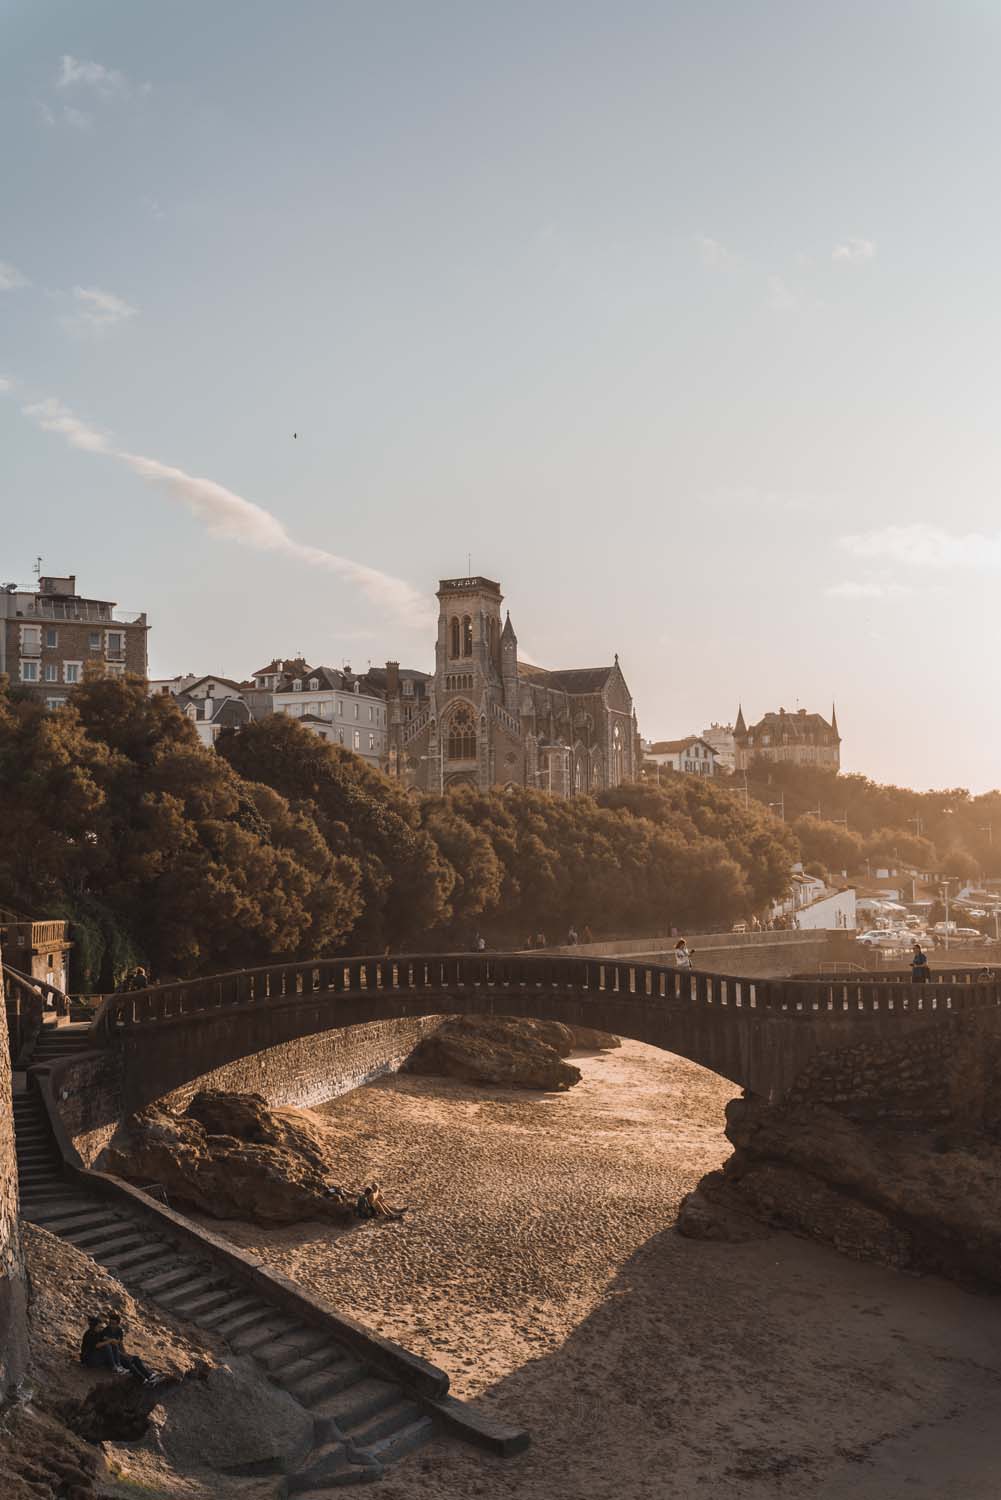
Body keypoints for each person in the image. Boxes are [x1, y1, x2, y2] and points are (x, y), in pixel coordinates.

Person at [102, 1311, 159, 1384]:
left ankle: (149, 1376)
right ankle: (143, 1380)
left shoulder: (119, 1331)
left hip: (119, 1353)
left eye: (113, 1323)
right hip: (112, 1356)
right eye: (110, 1323)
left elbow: (120, 1344)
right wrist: (123, 1355)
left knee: (135, 1358)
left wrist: (125, 1353)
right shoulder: (106, 1331)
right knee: (128, 1362)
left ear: (118, 1324)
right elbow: (110, 1347)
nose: (111, 1325)